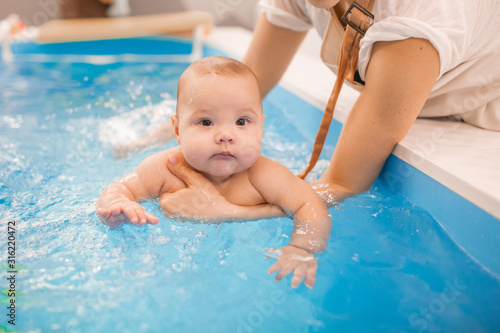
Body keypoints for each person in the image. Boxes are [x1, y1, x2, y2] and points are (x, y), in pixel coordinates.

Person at [159, 0, 500, 216]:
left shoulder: (426, 9)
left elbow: (342, 184)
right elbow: (248, 83)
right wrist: (170, 131)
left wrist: (227, 210)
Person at [97, 56, 332, 289]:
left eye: (242, 121)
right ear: (178, 130)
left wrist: (302, 248)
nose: (225, 135)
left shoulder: (265, 175)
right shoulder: (164, 167)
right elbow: (121, 188)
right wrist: (117, 204)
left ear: (261, 127)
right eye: (206, 122)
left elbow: (310, 206)